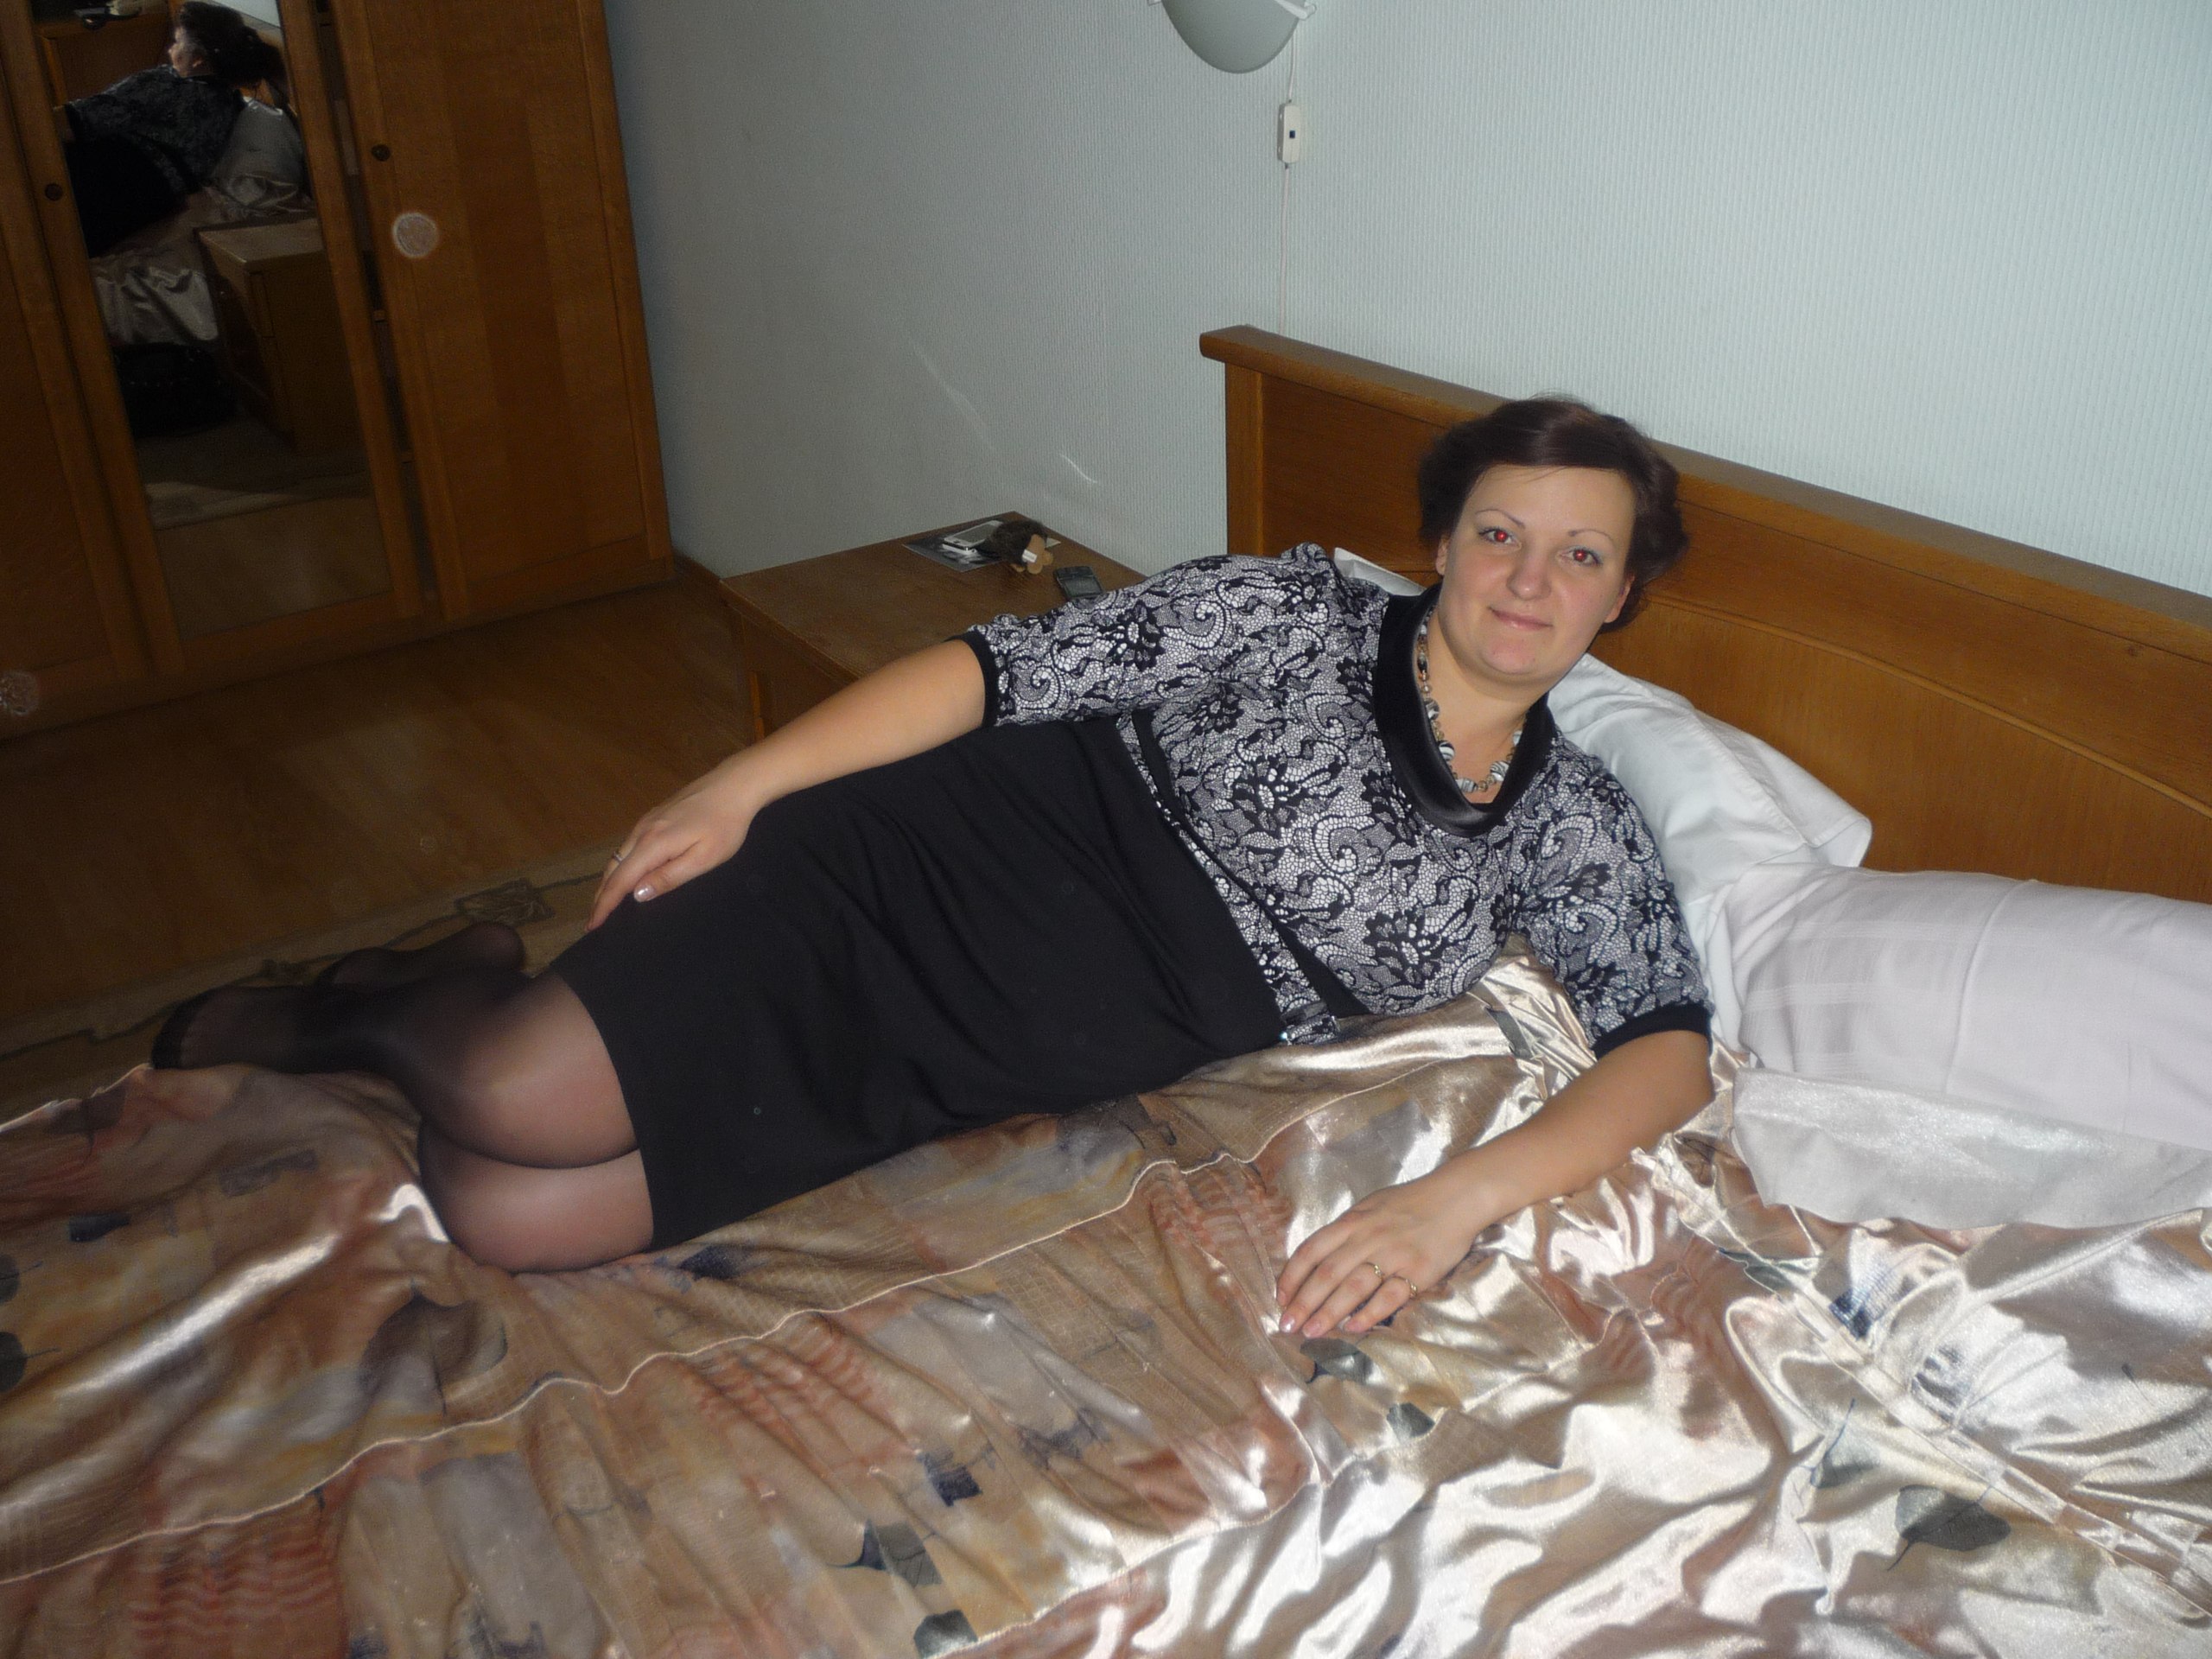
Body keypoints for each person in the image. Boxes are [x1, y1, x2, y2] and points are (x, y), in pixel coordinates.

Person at [153, 398, 1715, 1339]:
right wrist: (741, 783)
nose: (1531, 579)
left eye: (1581, 554)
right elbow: (998, 672)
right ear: (1441, 542)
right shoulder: (1297, 612)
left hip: (1002, 1044)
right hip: (920, 869)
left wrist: (1452, 1204)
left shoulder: (1572, 823)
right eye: (1500, 533)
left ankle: (450, 997)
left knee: (503, 1216)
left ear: (1623, 594)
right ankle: (372, 1004)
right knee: (510, 1093)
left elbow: (1667, 1049)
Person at [60, 3, 283, 256]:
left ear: (198, 58)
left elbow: (77, 118)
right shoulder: (229, 104)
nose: (170, 50)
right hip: (146, 204)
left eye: (177, 42)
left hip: (105, 180)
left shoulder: (169, 85)